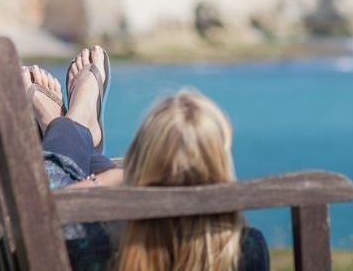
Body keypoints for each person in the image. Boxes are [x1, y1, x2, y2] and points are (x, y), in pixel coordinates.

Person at [23, 47, 270, 271]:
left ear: (138, 171)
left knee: (59, 177)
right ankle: (76, 130)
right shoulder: (247, 250)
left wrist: (109, 179)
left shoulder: (104, 246)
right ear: (221, 168)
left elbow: (40, 208)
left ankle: (71, 124)